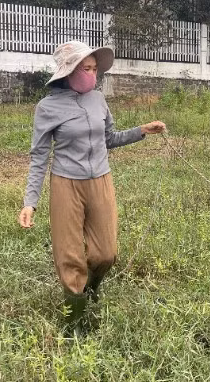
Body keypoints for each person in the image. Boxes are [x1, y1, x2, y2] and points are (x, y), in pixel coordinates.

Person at [18, 41, 165, 335]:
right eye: (86, 68)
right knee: (70, 255)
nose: (92, 74)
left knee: (106, 253)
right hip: (65, 185)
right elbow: (39, 157)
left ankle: (91, 288)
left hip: (101, 180)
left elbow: (109, 138)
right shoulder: (47, 108)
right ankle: (75, 325)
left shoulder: (98, 100)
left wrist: (142, 131)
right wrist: (29, 202)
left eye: (95, 69)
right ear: (68, 72)